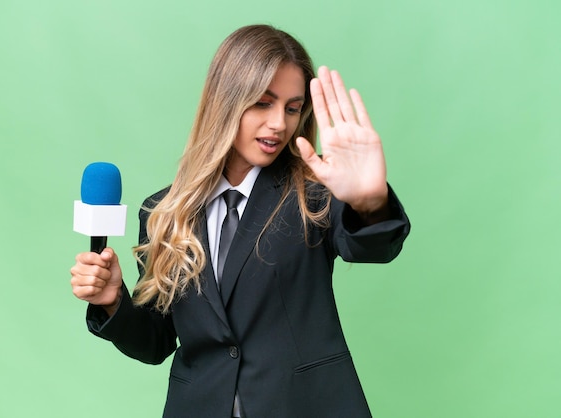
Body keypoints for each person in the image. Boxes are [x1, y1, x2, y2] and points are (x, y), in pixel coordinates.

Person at [70, 24, 410, 418]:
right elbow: (157, 342)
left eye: (292, 107)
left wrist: (370, 202)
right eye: (263, 103)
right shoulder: (163, 212)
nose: (279, 123)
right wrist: (114, 302)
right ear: (225, 100)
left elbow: (372, 245)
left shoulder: (314, 195)